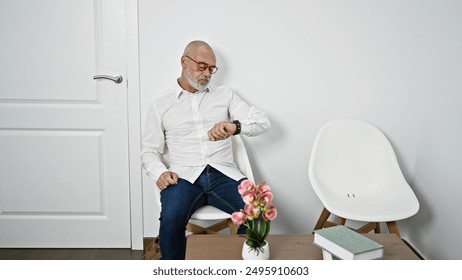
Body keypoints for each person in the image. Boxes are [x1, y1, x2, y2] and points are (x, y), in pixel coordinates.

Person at [141, 40, 271, 260]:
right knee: (171, 217)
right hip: (183, 177)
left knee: (258, 210)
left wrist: (234, 127)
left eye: (212, 68)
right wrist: (159, 173)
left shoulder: (225, 95)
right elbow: (149, 151)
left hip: (223, 174)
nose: (208, 73)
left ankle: (245, 264)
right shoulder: (160, 105)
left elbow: (263, 122)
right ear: (184, 62)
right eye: (202, 66)